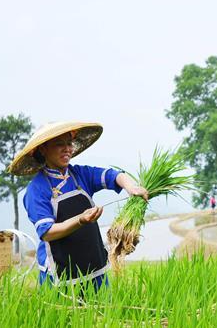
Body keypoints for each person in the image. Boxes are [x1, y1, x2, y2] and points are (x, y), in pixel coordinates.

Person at [9, 121, 148, 292]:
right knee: (63, 318)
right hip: (59, 274)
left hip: (94, 267)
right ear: (43, 149)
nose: (67, 148)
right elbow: (47, 232)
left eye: (69, 143)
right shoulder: (37, 189)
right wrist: (81, 220)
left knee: (102, 315)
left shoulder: (80, 174)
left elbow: (114, 175)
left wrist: (130, 187)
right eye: (59, 144)